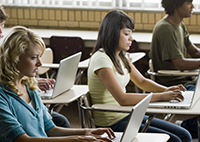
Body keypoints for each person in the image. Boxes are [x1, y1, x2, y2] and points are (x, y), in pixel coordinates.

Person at [88, 10, 192, 142]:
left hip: (127, 115)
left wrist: (166, 90)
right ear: (112, 34)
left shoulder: (120, 55)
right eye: (127, 34)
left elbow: (142, 81)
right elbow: (122, 99)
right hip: (112, 124)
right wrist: (160, 96)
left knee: (184, 135)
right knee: (175, 140)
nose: (131, 38)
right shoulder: (101, 59)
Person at [0, 25, 115, 142]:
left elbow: (51, 129)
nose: (40, 63)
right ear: (14, 59)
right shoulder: (2, 96)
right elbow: (22, 140)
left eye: (40, 57)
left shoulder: (29, 86)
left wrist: (86, 132)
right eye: (34, 58)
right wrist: (77, 139)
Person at [0, 4, 71, 128]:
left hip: (17, 88)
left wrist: (28, 80)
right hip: (8, 96)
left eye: (2, 25)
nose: (1, 32)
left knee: (59, 122)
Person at [149, 0, 199, 138]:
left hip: (185, 80)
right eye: (189, 3)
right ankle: (189, 127)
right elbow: (180, 64)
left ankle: (191, 126)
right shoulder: (166, 28)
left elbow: (194, 52)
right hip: (173, 84)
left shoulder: (179, 25)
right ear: (177, 5)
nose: (192, 7)